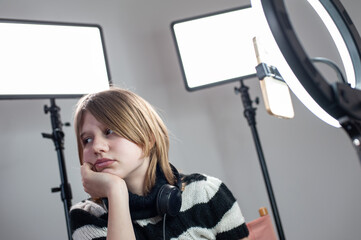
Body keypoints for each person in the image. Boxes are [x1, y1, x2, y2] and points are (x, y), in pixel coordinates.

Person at [69, 87, 250, 240]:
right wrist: (116, 192)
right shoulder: (86, 216)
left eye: (109, 131)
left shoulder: (207, 192)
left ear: (148, 138)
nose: (97, 147)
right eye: (87, 140)